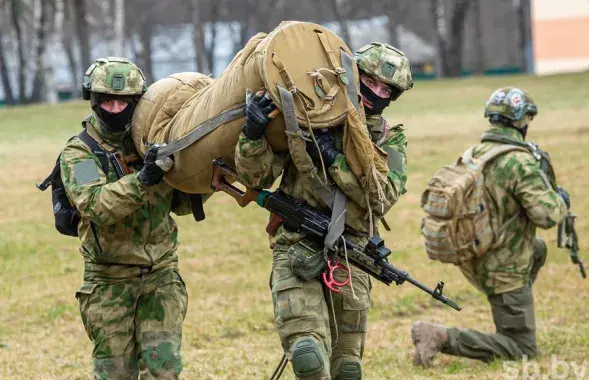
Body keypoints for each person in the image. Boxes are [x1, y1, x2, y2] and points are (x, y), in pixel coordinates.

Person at [235, 43, 413, 379]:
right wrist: (252, 134)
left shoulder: (390, 142)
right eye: (370, 81)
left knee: (347, 368)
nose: (375, 92)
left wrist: (335, 161)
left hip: (352, 253)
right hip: (296, 245)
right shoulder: (308, 114)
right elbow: (256, 176)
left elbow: (381, 198)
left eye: (386, 89)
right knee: (308, 357)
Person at [411, 87, 570, 367]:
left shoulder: (477, 152)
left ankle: (511, 309)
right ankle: (439, 336)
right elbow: (548, 216)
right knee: (522, 350)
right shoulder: (519, 161)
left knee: (536, 249)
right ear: (523, 121)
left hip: (475, 253)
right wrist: (561, 200)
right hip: (501, 266)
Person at [61, 57, 193, 379]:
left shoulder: (152, 143)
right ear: (94, 101)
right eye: (107, 100)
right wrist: (143, 179)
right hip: (109, 282)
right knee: (115, 374)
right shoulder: (81, 153)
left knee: (164, 372)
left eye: (124, 102)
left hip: (160, 275)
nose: (115, 108)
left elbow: (181, 204)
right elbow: (95, 204)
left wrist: (200, 174)